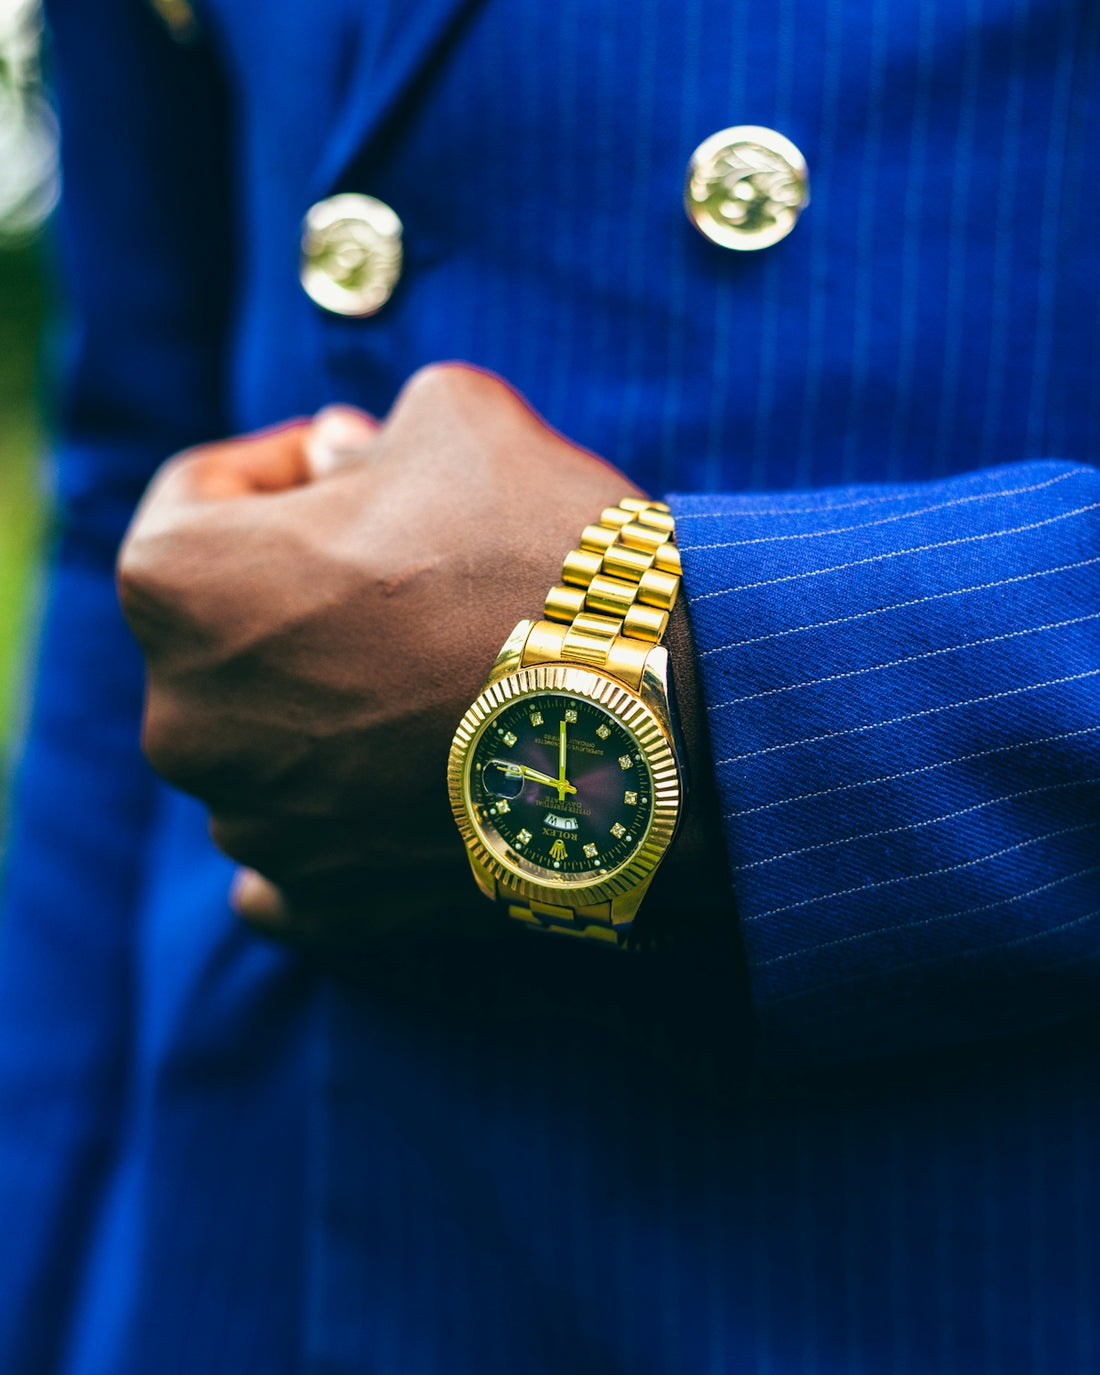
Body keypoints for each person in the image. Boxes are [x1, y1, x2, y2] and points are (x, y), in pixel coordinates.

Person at [0, 0, 1098, 1371]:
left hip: (934, 1247)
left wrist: (693, 688)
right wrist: (36, 1273)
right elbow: (135, 474)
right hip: (234, 1228)